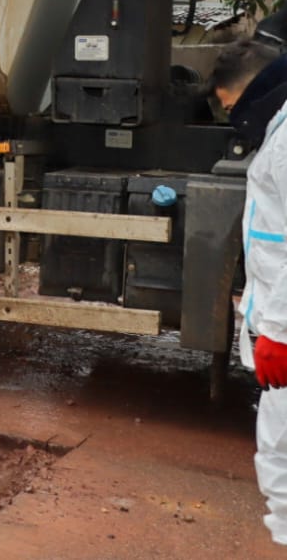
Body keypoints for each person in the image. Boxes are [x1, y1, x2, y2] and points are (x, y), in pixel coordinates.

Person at [211, 37, 287, 544]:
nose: (234, 119)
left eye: (231, 107)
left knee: (281, 454)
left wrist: (278, 331)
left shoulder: (283, 145)